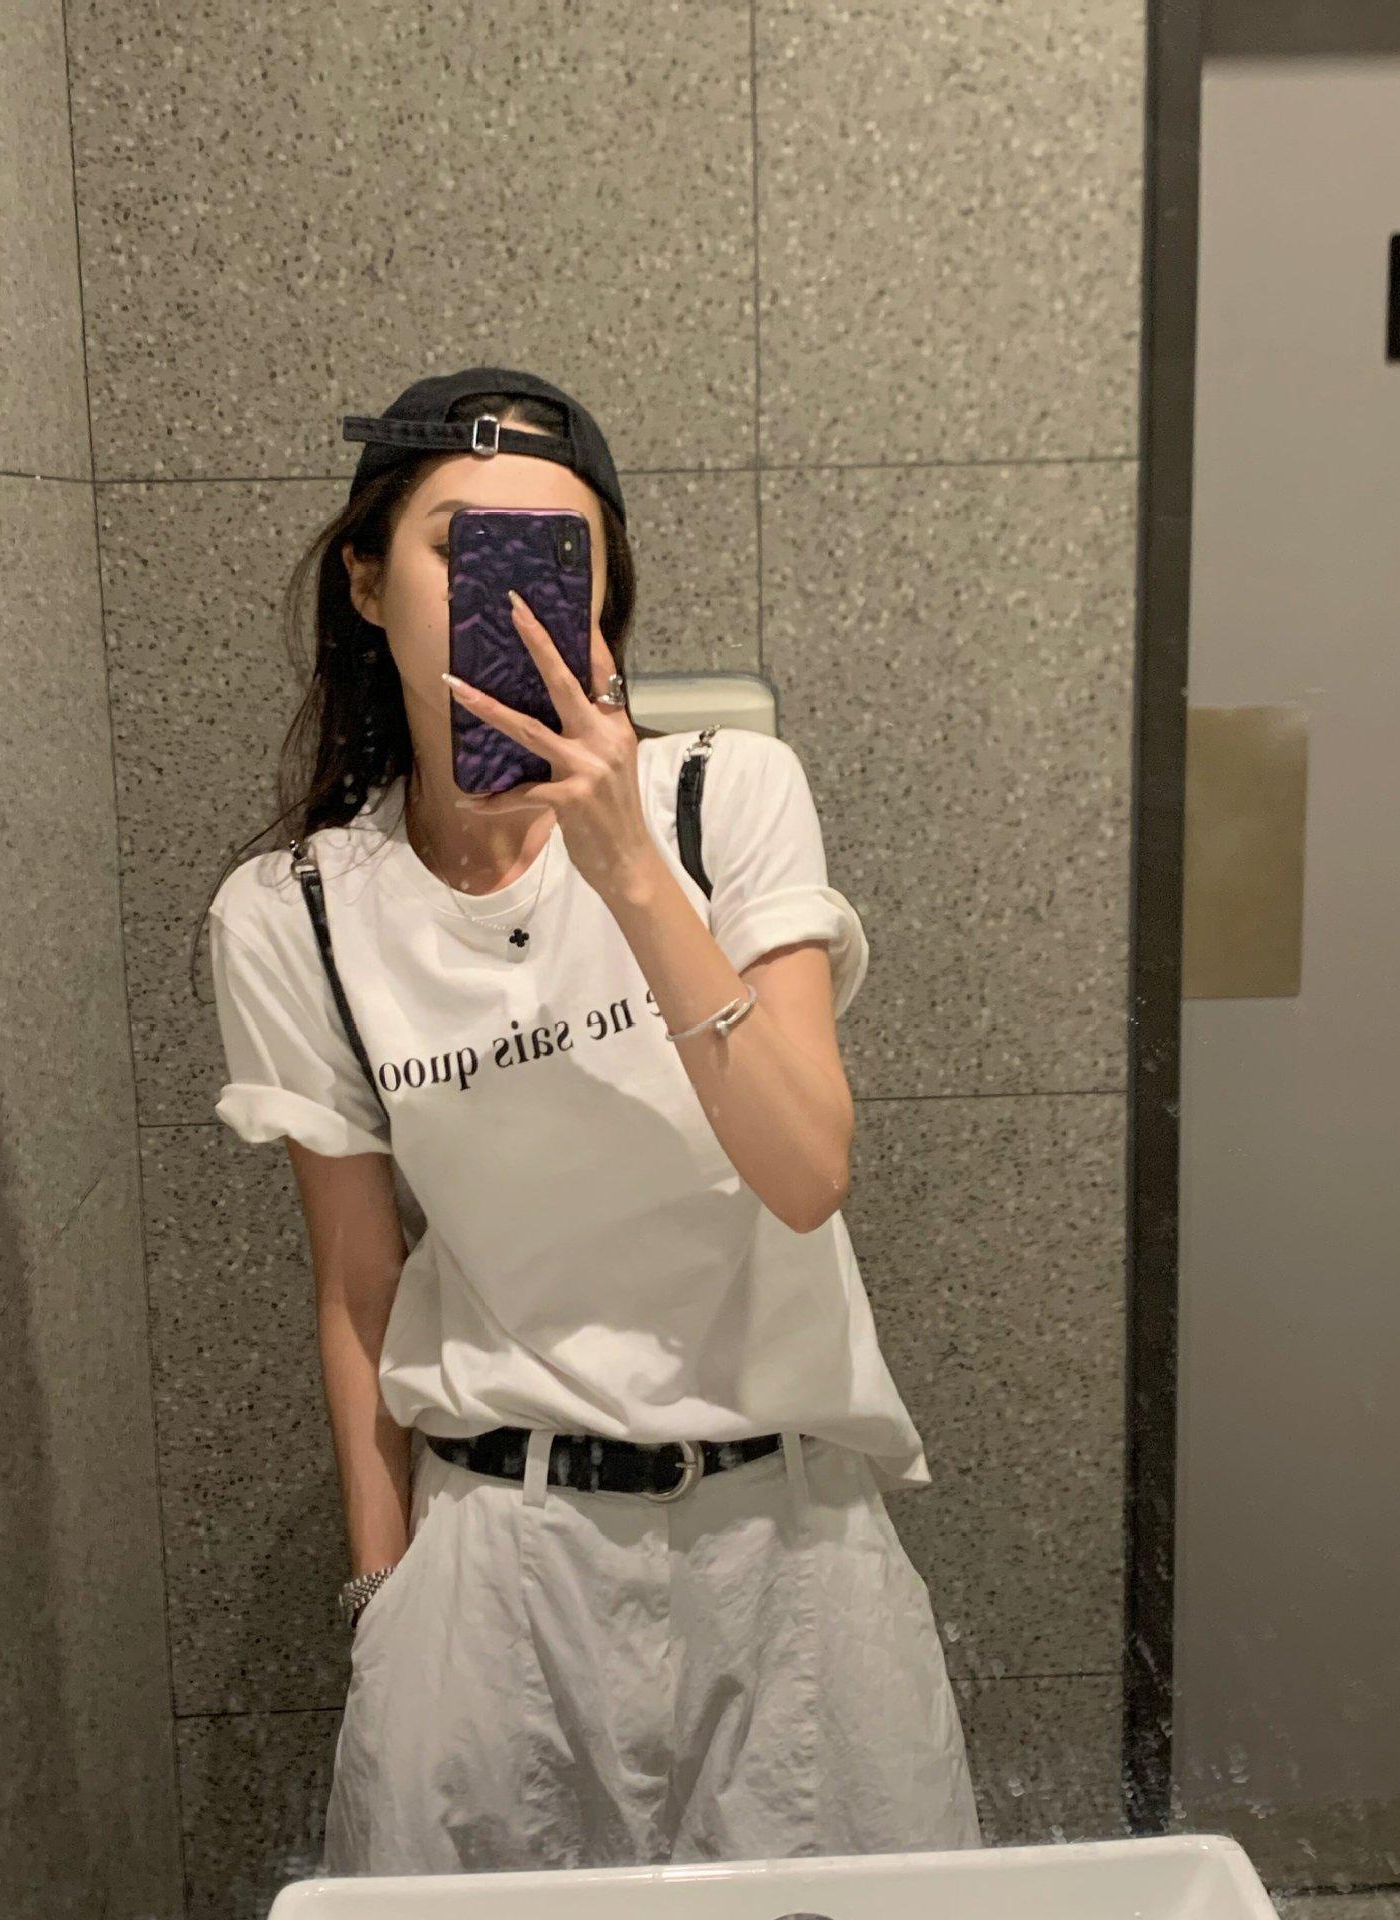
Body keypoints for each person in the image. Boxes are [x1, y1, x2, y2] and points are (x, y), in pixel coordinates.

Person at [197, 368, 981, 1874]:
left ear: (604, 591)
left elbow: (806, 1170)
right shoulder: (296, 915)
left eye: (557, 557)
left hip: (785, 1551)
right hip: (494, 1564)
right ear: (365, 581)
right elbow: (356, 1283)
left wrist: (626, 872)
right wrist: (385, 1601)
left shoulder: (723, 804)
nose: (509, 595)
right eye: (458, 548)